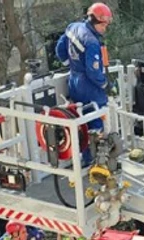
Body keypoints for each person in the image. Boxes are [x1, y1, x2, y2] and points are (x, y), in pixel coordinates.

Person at [55, 2, 113, 141]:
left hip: (74, 82)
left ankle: (84, 151)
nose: (104, 29)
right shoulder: (92, 42)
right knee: (96, 120)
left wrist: (70, 64)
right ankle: (95, 151)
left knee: (81, 120)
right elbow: (93, 71)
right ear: (94, 20)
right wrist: (105, 84)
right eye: (102, 25)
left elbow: (60, 48)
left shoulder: (73, 27)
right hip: (89, 87)